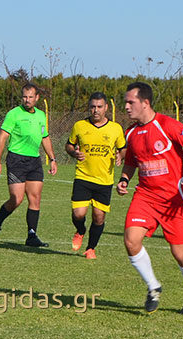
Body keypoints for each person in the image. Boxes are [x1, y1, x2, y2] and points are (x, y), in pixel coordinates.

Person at [116, 82, 183, 315]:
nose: (125, 107)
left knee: (179, 254)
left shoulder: (168, 125)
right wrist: (125, 179)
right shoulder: (132, 132)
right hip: (145, 197)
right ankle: (153, 286)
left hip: (173, 200)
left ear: (145, 103)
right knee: (131, 240)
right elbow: (132, 161)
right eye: (125, 102)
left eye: (130, 102)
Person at [0, 83, 57, 247]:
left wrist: (52, 159)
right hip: (16, 160)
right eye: (25, 97)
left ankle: (31, 235)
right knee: (16, 199)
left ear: (37, 98)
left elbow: (45, 137)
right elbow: (2, 137)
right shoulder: (14, 114)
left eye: (30, 97)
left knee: (35, 198)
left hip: (34, 161)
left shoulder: (41, 115)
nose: (27, 100)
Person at [65, 92, 126, 259]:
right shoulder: (79, 126)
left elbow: (123, 148)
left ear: (106, 108)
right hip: (83, 176)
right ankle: (80, 230)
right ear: (89, 107)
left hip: (104, 180)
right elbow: (69, 145)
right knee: (78, 214)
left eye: (99, 107)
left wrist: (121, 155)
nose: (95, 110)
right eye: (92, 106)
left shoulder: (115, 128)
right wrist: (74, 153)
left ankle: (91, 248)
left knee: (99, 217)